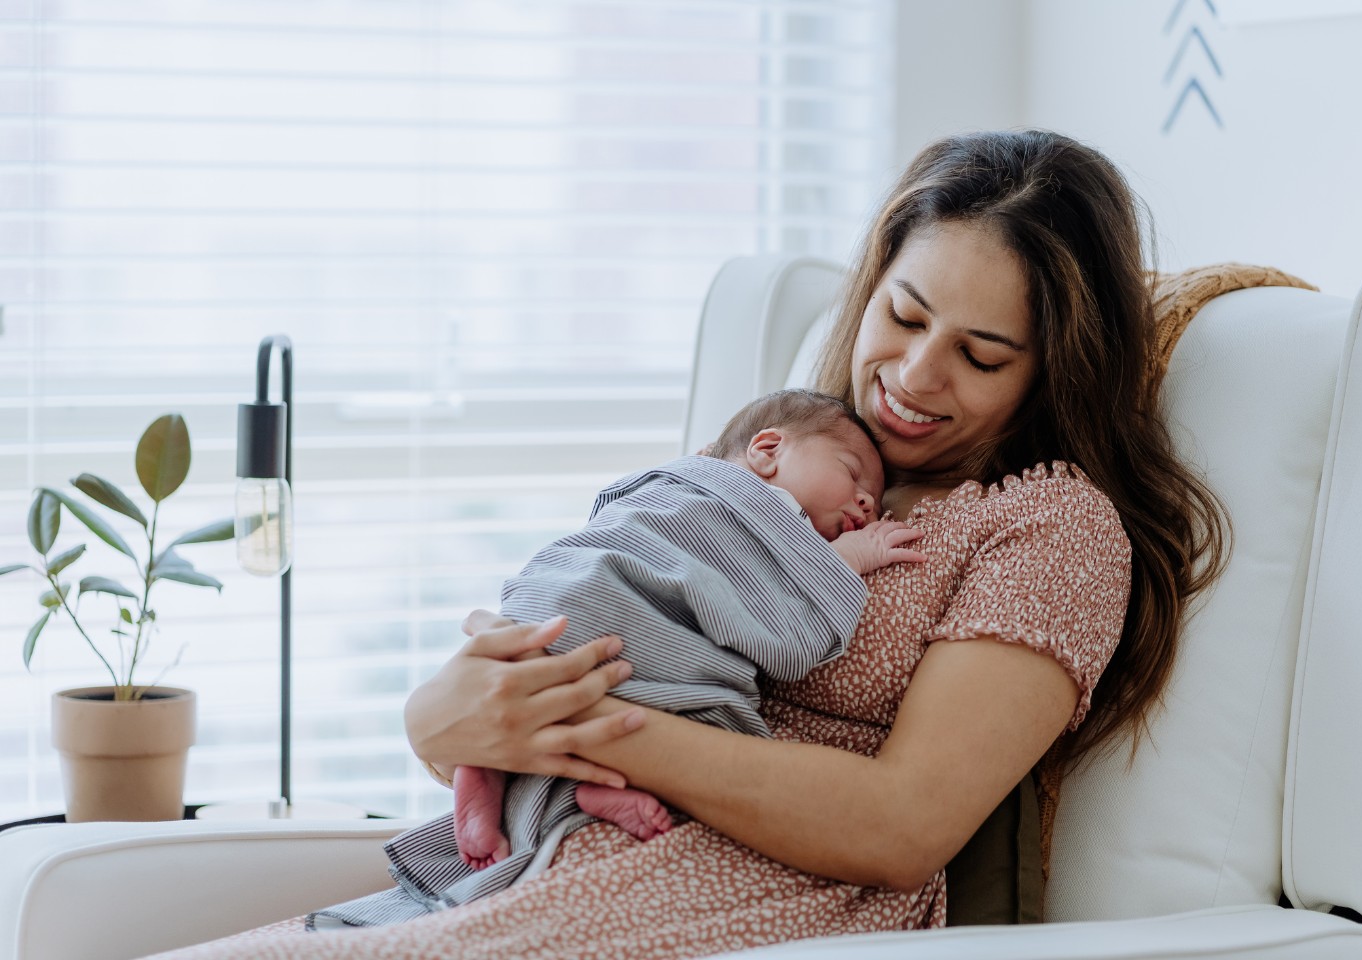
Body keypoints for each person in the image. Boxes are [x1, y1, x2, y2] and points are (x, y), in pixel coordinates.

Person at [145, 129, 1228, 960]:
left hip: (759, 894)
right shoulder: (790, 453)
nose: (914, 375)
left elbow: (903, 826)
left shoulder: (1052, 528)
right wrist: (444, 713)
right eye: (903, 315)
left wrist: (595, 726)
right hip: (546, 847)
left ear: (1054, 370)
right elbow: (599, 611)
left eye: (982, 355)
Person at [319, 389, 926, 926]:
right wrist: (848, 560)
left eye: (873, 499)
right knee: (705, 712)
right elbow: (789, 630)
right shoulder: (754, 508)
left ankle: (495, 778)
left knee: (533, 685)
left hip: (552, 600)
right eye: (852, 476)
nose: (867, 503)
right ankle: (554, 780)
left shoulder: (671, 486)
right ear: (767, 450)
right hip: (617, 614)